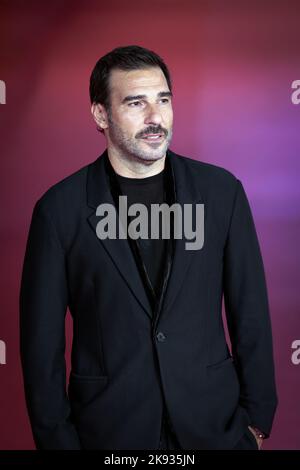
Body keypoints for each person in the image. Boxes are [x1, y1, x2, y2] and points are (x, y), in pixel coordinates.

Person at [19, 45, 278, 450]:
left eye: (163, 100)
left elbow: (251, 314)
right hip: (108, 434)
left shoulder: (222, 193)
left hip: (214, 430)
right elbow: (40, 349)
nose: (155, 118)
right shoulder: (59, 211)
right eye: (136, 103)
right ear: (100, 115)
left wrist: (257, 422)